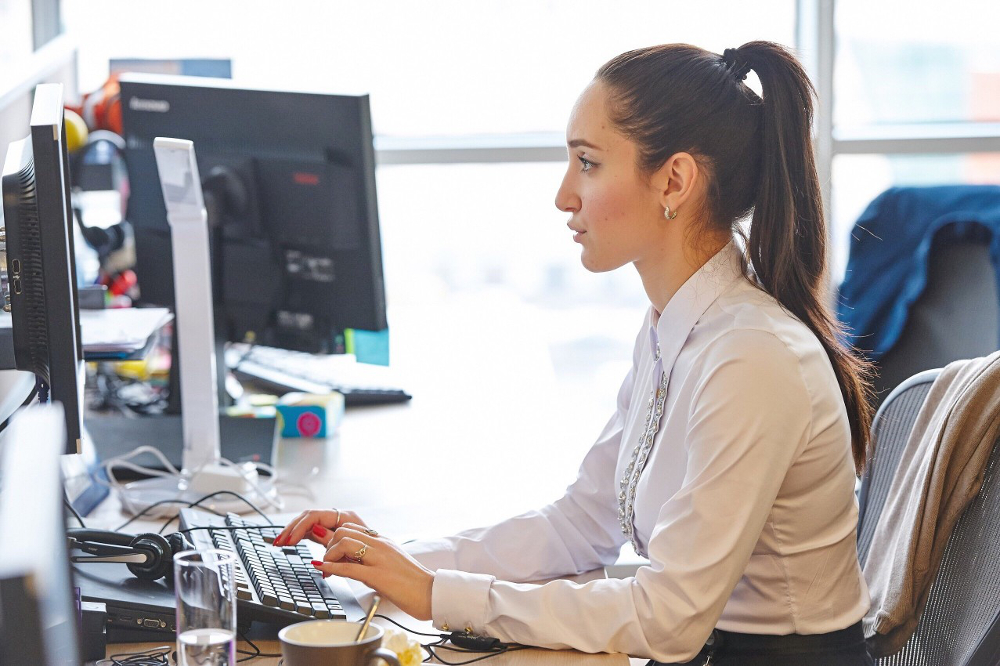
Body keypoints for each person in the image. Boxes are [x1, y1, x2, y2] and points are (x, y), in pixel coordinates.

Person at [273, 41, 876, 666]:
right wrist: (395, 557)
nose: (565, 196)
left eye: (587, 163)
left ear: (674, 180)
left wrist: (436, 595)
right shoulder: (676, 329)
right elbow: (579, 526)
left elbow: (668, 620)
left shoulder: (751, 357)